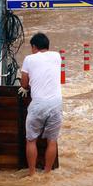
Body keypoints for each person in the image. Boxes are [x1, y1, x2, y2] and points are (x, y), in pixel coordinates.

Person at [20, 33, 62, 176]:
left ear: (34, 47)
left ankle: (32, 174)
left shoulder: (29, 59)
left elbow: (24, 83)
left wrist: (25, 88)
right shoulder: (57, 56)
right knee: (52, 141)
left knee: (31, 140)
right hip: (56, 103)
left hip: (38, 104)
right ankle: (47, 174)